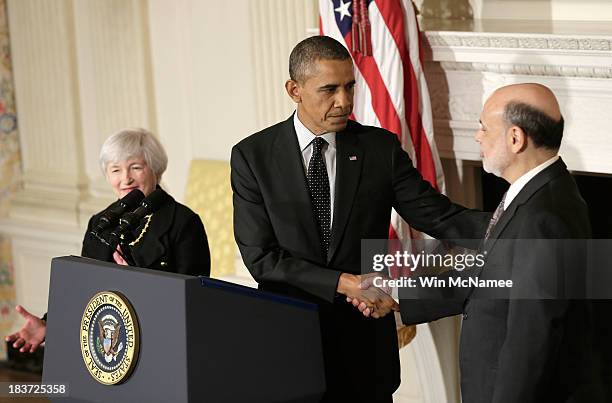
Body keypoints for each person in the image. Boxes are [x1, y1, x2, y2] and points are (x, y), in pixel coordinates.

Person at [230, 36, 488, 402]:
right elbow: (261, 259)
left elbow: (438, 216)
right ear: (294, 90)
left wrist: (512, 222)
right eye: (329, 89)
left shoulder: (380, 149)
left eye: (350, 86)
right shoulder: (252, 157)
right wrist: (344, 282)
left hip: (364, 350)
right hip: (290, 343)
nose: (345, 102)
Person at [389, 83, 597, 402]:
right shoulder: (539, 193)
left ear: (515, 138)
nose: (477, 136)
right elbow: (491, 279)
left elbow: (530, 343)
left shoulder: (543, 218)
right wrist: (398, 295)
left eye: (484, 127)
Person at [7, 128, 211, 354]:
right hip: (107, 348)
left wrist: (141, 284)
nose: (126, 178)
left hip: (162, 344)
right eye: (115, 170)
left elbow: (195, 301)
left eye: (136, 167)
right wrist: (47, 324)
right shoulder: (100, 223)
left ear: (156, 169)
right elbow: (83, 288)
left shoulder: (183, 222)